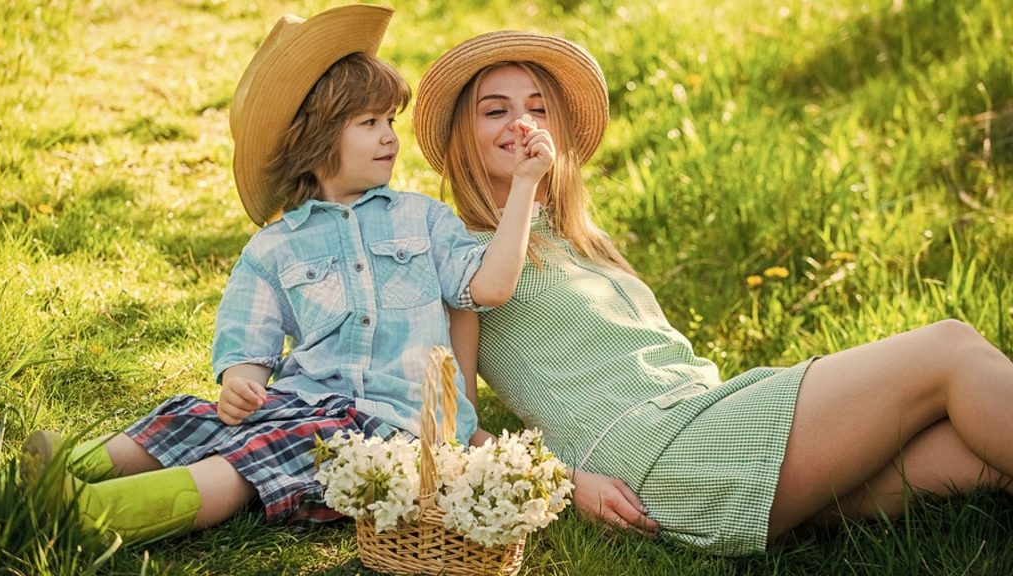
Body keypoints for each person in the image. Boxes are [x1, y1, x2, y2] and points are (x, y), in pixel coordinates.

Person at [411, 30, 1013, 555]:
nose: (522, 123)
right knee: (951, 349)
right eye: (496, 111)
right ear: (464, 137)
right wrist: (566, 483)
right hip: (661, 452)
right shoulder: (463, 258)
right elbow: (453, 429)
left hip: (707, 417)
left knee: (976, 453)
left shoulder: (578, 238)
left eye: (539, 108)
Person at [16, 6, 553, 546]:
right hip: (304, 401)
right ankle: (50, 473)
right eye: (369, 124)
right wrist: (239, 386)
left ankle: (97, 515)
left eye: (389, 121)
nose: (390, 137)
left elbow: (489, 287)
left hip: (393, 432)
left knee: (256, 455)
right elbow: (248, 341)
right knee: (195, 417)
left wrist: (527, 184)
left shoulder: (424, 220)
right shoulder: (274, 248)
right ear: (315, 143)